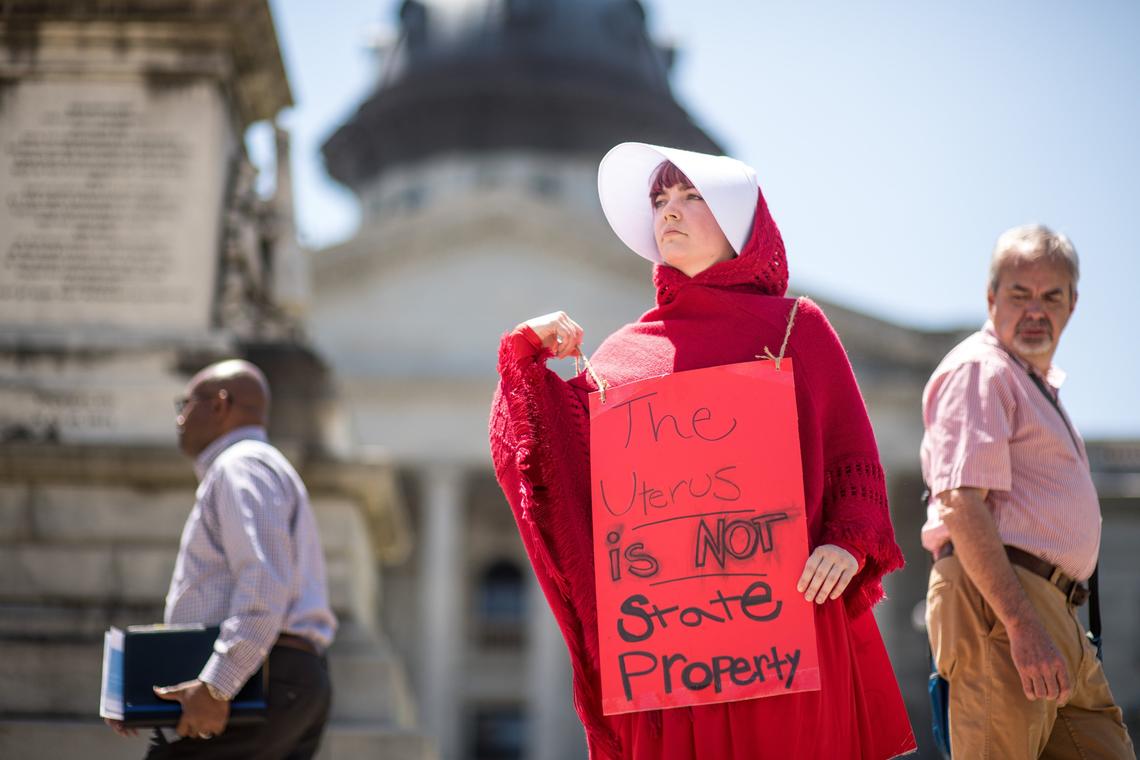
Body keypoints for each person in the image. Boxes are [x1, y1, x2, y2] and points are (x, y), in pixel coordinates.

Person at [490, 143, 916, 759]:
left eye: (693, 197)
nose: (670, 211)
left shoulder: (796, 326)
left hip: (781, 636)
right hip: (671, 659)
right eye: (661, 199)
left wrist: (846, 544)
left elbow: (854, 459)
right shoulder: (618, 357)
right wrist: (525, 360)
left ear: (742, 223)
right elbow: (543, 467)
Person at [921, 225, 1135, 758]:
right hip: (1004, 603)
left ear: (1072, 305)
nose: (1036, 309)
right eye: (1020, 294)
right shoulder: (982, 368)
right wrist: (1021, 623)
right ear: (991, 297)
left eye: (1051, 296)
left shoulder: (1028, 381)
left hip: (1057, 613)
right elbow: (961, 502)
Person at [106, 359, 337, 759]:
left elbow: (264, 580)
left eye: (186, 403)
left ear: (219, 405)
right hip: (282, 677)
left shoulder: (240, 467)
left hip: (259, 680)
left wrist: (217, 685)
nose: (179, 418)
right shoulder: (258, 467)